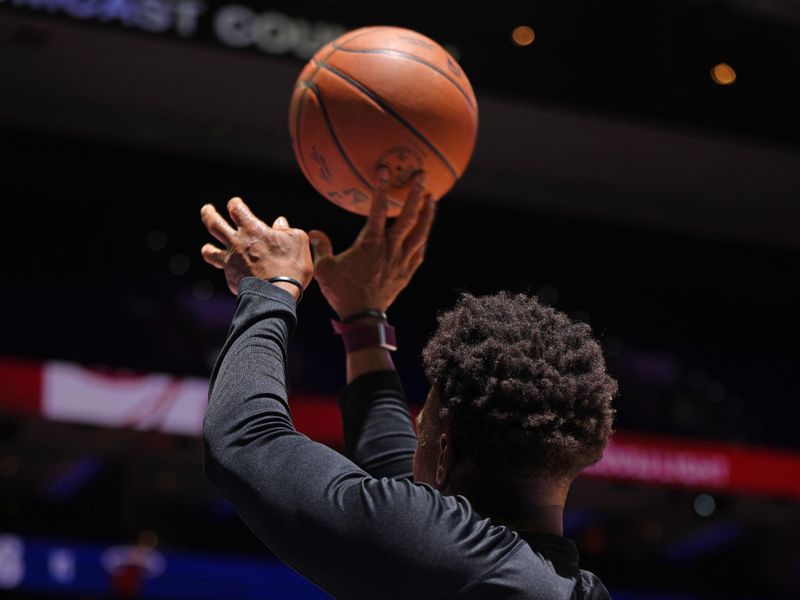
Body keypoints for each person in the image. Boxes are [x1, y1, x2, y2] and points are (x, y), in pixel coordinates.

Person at [200, 168, 617, 599]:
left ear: (443, 454)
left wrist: (274, 288)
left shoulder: (458, 560)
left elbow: (243, 438)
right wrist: (363, 316)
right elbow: (393, 463)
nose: (413, 437)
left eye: (423, 431)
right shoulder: (569, 587)